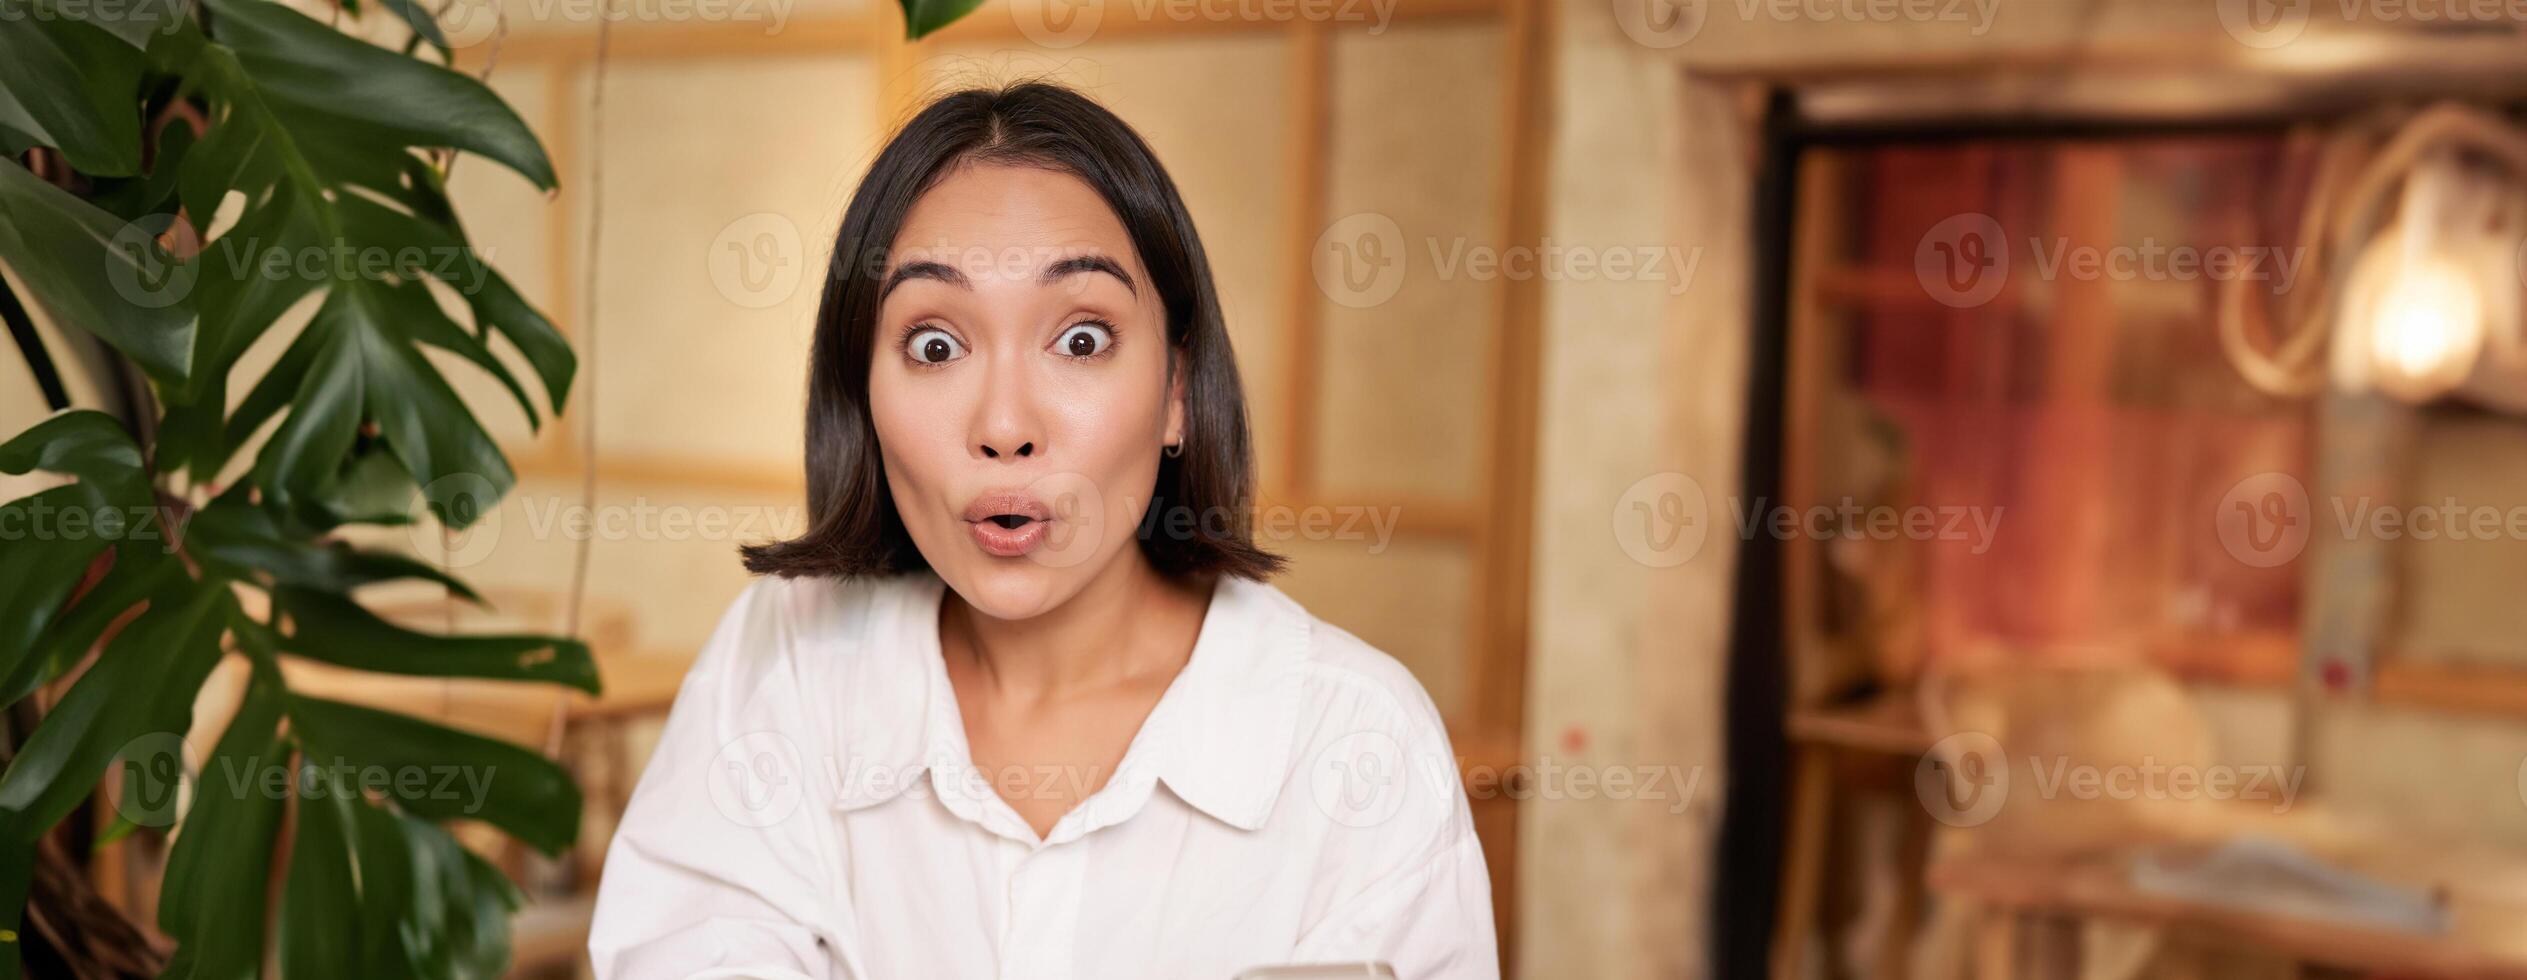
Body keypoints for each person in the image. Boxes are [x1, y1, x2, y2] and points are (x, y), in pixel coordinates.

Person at [586, 82, 1497, 979]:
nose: (1005, 425)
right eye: (935, 346)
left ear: (1177, 390)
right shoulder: (785, 654)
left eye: (1081, 340)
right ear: (860, 392)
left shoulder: (1354, 740)